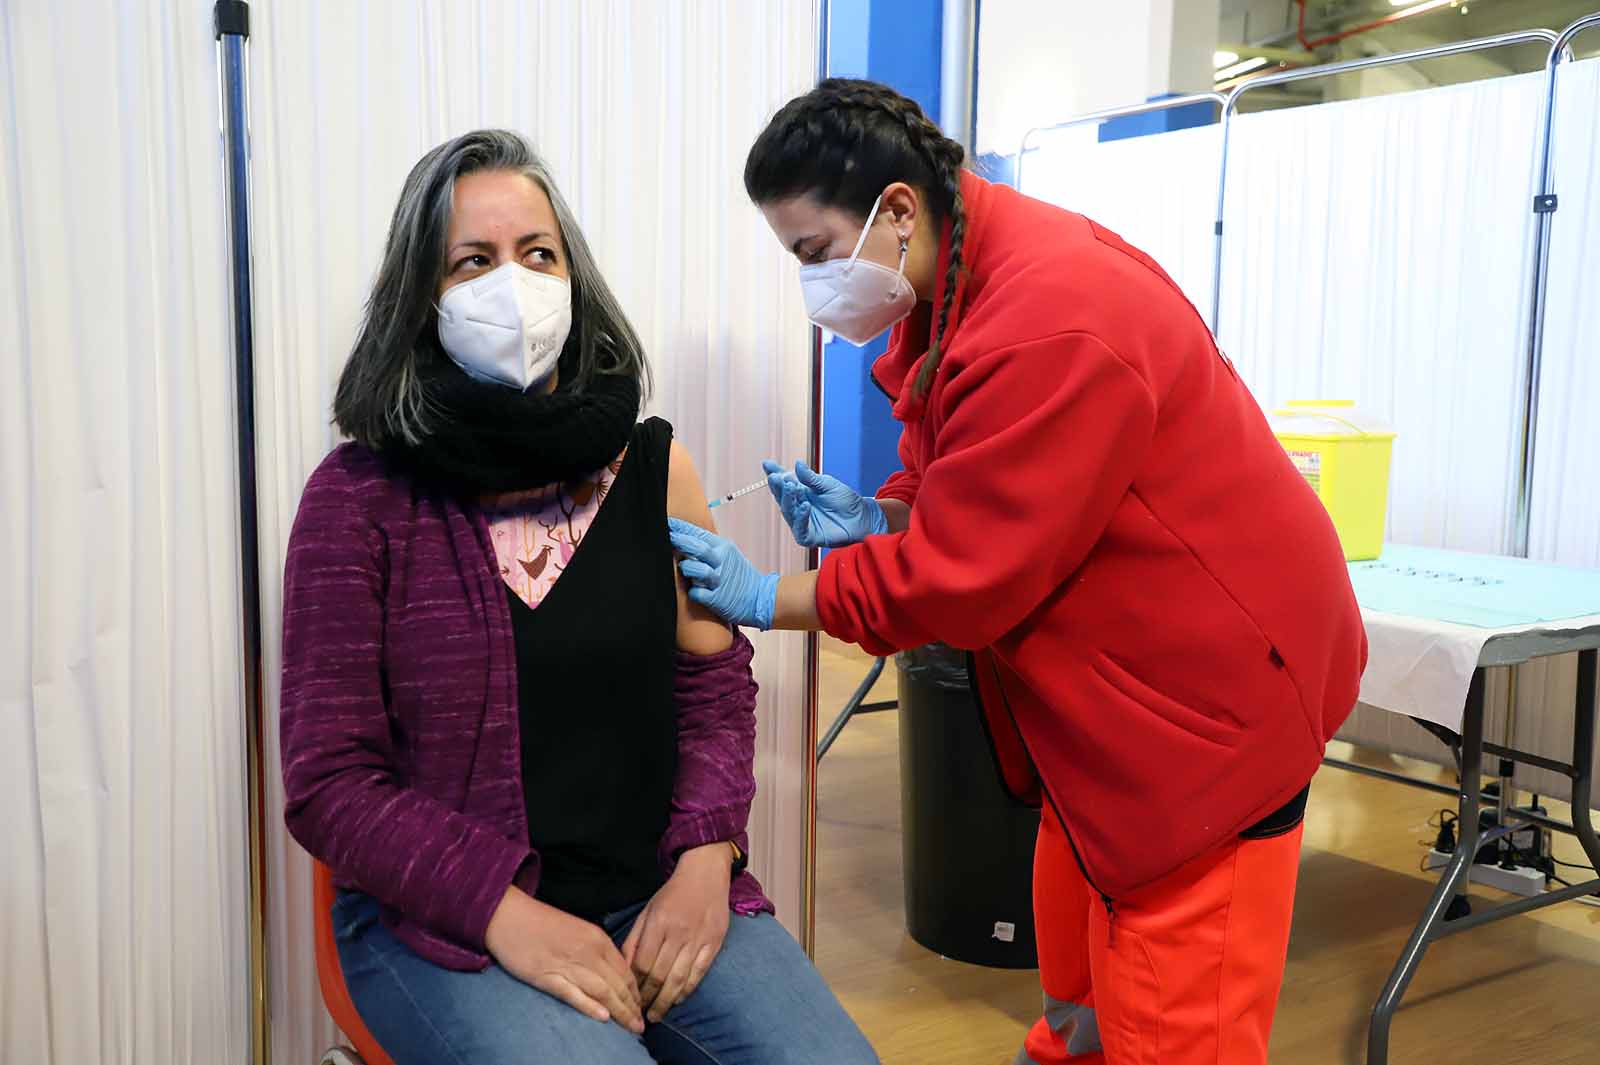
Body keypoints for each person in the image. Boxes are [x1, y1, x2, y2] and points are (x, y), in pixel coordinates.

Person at [668, 80, 1368, 1064]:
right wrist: (890, 511)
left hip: (1206, 719)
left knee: (1172, 1021)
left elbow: (965, 579)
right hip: (1109, 719)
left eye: (813, 254)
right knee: (1080, 997)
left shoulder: (1054, 312)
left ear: (898, 210)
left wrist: (769, 598)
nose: (812, 284)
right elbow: (982, 471)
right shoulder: (964, 274)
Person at [279, 128, 877, 1065]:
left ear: (573, 277)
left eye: (537, 254)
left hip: (654, 889)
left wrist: (705, 861)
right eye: (472, 261)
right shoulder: (358, 500)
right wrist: (506, 915)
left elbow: (712, 694)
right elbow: (330, 785)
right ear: (419, 298)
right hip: (447, 923)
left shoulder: (653, 467)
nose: (510, 285)